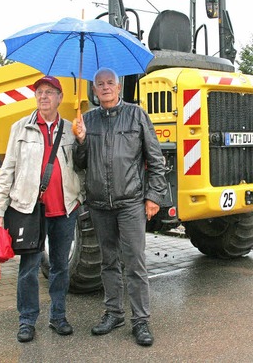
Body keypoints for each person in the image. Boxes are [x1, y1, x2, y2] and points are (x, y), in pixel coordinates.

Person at [74, 67, 167, 347]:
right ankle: (113, 313)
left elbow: (156, 158)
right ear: (93, 89)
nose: (104, 87)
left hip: (130, 204)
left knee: (135, 263)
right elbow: (80, 163)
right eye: (99, 83)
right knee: (108, 262)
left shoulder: (137, 115)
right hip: (100, 205)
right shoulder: (88, 120)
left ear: (118, 87)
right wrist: (79, 140)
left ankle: (141, 321)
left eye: (109, 83)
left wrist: (153, 197)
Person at [0, 75, 83, 343]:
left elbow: (81, 164)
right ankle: (27, 320)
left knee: (60, 267)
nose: (43, 96)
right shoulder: (20, 128)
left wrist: (83, 140)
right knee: (29, 268)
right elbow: (8, 169)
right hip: (28, 209)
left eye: (50, 92)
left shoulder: (70, 129)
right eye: (40, 92)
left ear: (59, 98)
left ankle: (58, 317)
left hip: (65, 210)